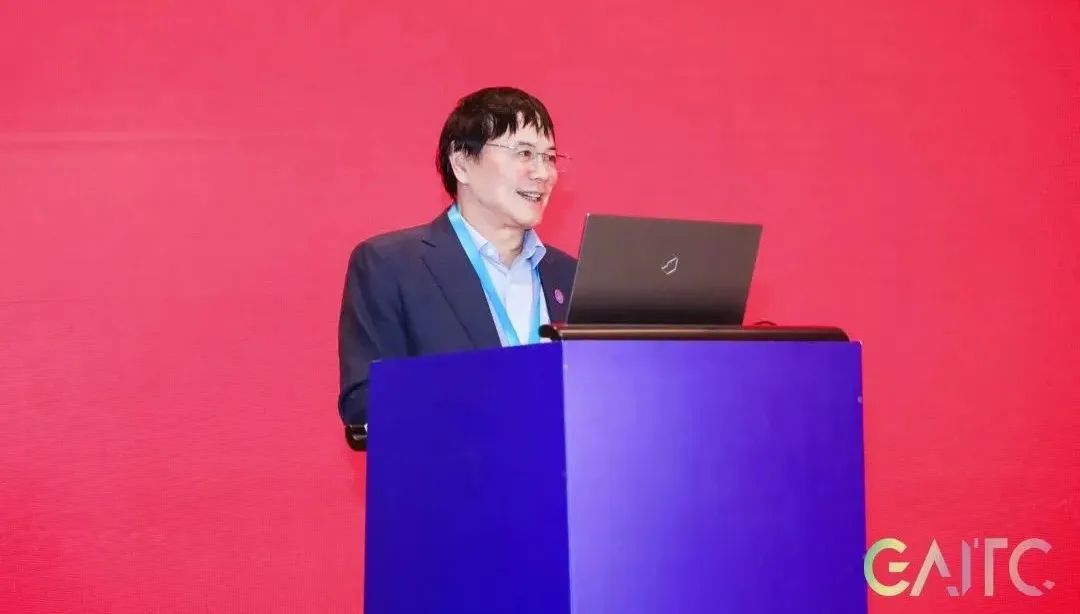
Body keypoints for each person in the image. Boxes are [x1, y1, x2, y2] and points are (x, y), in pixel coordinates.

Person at [337, 87, 577, 449]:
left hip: (562, 479)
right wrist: (496, 396)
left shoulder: (569, 276)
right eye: (525, 153)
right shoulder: (390, 265)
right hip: (453, 477)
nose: (543, 173)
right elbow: (364, 401)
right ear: (462, 163)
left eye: (550, 157)